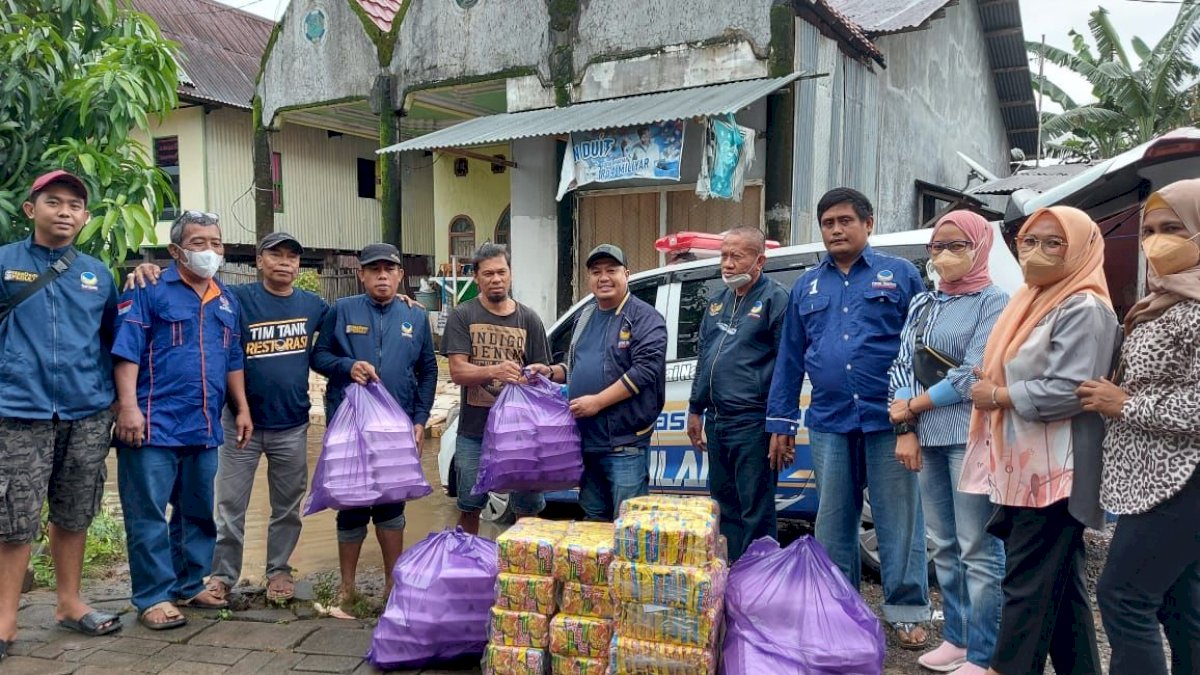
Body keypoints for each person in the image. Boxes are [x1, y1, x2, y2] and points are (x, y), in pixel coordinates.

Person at [766, 187, 931, 648]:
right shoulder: (806, 286)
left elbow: (919, 349)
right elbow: (790, 358)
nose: (835, 230)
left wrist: (913, 418)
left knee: (899, 521)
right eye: (827, 223)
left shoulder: (899, 275)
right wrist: (780, 423)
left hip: (889, 421)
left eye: (844, 221)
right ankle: (841, 611)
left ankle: (906, 612)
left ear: (869, 223)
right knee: (834, 522)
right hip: (829, 421)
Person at [125, 231, 329, 604]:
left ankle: (279, 570)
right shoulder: (235, 298)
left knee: (287, 507)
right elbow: (193, 290)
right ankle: (220, 575)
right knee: (227, 507)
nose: (284, 262)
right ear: (258, 260)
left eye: (292, 257)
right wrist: (149, 270)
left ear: (300, 264)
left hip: (293, 423)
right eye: (275, 255)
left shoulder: (314, 304)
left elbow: (340, 334)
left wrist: (400, 302)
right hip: (237, 425)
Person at [959, 206, 1117, 675]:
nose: (1037, 253)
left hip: (1055, 471)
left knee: (1025, 585)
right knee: (1061, 589)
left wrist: (998, 394)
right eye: (1029, 241)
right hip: (1025, 464)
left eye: (1054, 243)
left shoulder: (1084, 306)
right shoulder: (1031, 299)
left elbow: (1072, 390)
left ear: (1081, 250)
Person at [1078, 179, 1200, 675]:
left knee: (1124, 597)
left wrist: (1124, 404)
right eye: (1148, 229)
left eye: (1173, 228)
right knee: (1178, 603)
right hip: (1153, 478)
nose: (1155, 240)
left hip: (1182, 477)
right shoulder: (1165, 299)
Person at [112, 210, 253, 630]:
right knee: (148, 514)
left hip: (204, 424)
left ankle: (189, 583)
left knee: (195, 512)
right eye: (198, 243)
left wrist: (241, 407)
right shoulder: (149, 288)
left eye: (216, 243)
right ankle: (153, 596)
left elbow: (232, 358)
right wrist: (127, 407)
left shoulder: (226, 300)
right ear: (176, 250)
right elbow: (126, 349)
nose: (210, 251)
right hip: (152, 423)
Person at [0, 171, 123, 654]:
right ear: (32, 210)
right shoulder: (6, 263)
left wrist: (114, 402)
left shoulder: (97, 273)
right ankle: (6, 620)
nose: (66, 212)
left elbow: (112, 340)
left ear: (86, 217)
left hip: (86, 412)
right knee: (14, 518)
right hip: (18, 411)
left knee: (75, 511)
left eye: (75, 205)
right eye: (54, 202)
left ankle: (69, 603)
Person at [887, 211, 1008, 674]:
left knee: (977, 547)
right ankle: (956, 639)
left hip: (970, 435)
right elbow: (902, 361)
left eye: (956, 246)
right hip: (928, 437)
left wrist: (913, 406)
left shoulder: (993, 301)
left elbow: (973, 372)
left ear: (979, 246)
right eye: (937, 247)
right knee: (943, 544)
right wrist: (907, 424)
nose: (944, 256)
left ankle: (984, 650)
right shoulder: (925, 303)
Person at [310, 242, 437, 616]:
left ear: (400, 275)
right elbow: (318, 356)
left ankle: (392, 585)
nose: (382, 275)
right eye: (374, 269)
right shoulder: (342, 309)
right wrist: (347, 365)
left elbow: (428, 370)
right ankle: (347, 590)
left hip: (395, 428)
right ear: (361, 274)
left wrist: (419, 419)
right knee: (350, 505)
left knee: (390, 505)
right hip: (349, 426)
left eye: (389, 269)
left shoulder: (415, 317)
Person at [686, 227, 789, 562]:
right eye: (723, 256)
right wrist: (695, 408)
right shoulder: (717, 301)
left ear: (759, 260)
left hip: (753, 422)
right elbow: (705, 358)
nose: (727, 264)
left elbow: (787, 367)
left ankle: (758, 585)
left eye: (737, 256)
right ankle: (729, 579)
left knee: (755, 511)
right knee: (723, 505)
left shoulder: (776, 299)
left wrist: (779, 424)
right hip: (718, 422)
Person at [442, 243, 554, 534]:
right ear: (477, 277)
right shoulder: (462, 315)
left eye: (501, 272)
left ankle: (524, 574)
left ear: (511, 274)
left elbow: (544, 377)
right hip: (474, 433)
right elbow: (457, 371)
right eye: (488, 273)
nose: (496, 279)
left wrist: (531, 376)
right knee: (469, 507)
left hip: (520, 435)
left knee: (527, 512)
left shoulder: (529, 319)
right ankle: (468, 568)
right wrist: (494, 371)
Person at [551, 244, 666, 521]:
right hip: (587, 444)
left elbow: (645, 370)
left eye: (611, 270)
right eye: (596, 271)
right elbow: (580, 365)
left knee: (628, 527)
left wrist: (597, 402)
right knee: (593, 524)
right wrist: (551, 371)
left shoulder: (644, 317)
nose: (603, 277)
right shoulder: (586, 315)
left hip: (624, 444)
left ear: (626, 274)